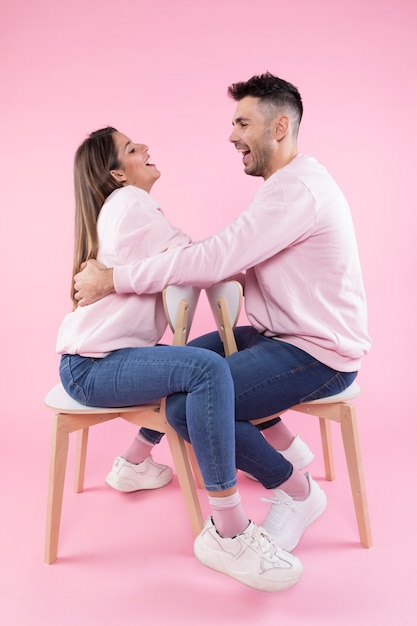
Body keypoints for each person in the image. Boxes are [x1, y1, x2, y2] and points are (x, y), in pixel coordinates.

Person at [73, 73, 371, 551]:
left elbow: (212, 257)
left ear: (277, 128)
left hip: (315, 352)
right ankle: (148, 460)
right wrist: (222, 266)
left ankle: (295, 490)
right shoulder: (287, 186)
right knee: (186, 372)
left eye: (242, 123)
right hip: (276, 336)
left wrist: (111, 279)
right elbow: (223, 258)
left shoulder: (295, 191)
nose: (233, 136)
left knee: (189, 406)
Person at [56, 126, 304, 592]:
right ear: (116, 173)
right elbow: (197, 260)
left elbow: (188, 264)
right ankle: (229, 530)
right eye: (132, 149)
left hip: (109, 357)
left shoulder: (126, 207)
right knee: (205, 368)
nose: (145, 147)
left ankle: (133, 462)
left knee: (198, 356)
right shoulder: (131, 202)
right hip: (93, 365)